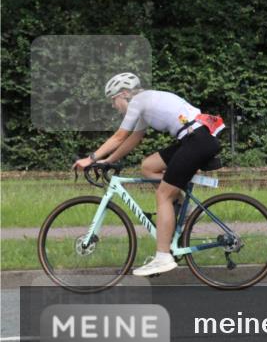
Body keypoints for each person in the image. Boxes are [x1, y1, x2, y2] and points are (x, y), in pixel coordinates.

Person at [72, 73, 225, 276]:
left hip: (196, 140)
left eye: (113, 99)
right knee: (148, 166)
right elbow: (133, 139)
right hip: (195, 138)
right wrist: (107, 161)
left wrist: (90, 158)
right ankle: (183, 207)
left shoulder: (139, 102)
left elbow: (119, 137)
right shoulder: (146, 103)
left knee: (163, 195)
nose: (113, 105)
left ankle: (163, 257)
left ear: (124, 94)